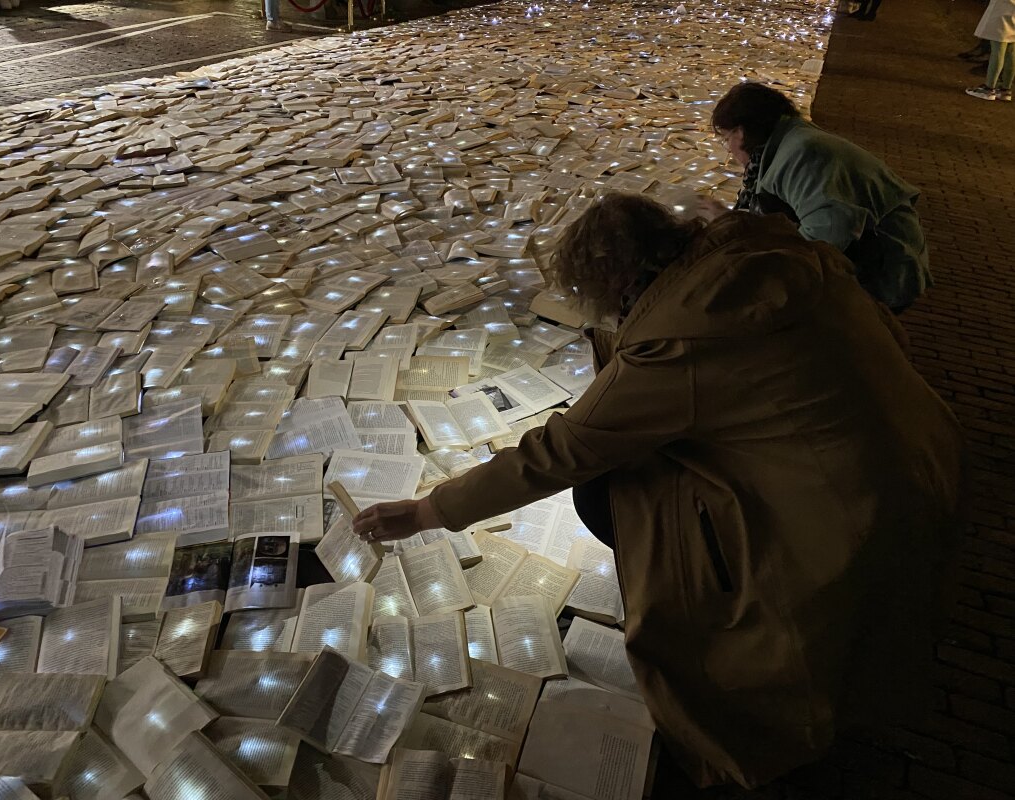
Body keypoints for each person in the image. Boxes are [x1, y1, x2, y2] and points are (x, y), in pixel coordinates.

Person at [351, 193, 966, 789]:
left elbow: (565, 450)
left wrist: (429, 509)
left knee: (610, 488)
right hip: (924, 459)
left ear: (617, 286)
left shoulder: (686, 333)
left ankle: (732, 671)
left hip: (844, 519)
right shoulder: (768, 261)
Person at [705, 82, 930, 313]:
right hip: (868, 256)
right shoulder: (786, 142)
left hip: (884, 271)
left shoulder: (804, 154)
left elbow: (825, 239)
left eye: (725, 139)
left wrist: (763, 273)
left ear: (741, 133)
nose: (728, 149)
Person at [966, 0, 1015, 101]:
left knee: (998, 50)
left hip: (1002, 10)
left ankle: (989, 88)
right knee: (1011, 51)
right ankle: (1005, 89)